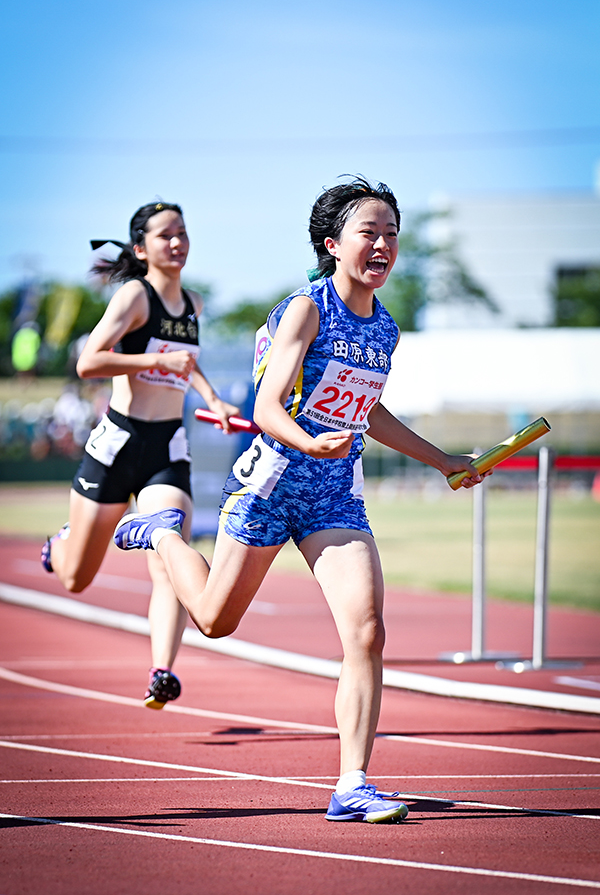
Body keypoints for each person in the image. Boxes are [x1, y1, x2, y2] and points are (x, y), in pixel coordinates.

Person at [112, 177, 488, 822]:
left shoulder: (386, 330)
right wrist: (309, 444)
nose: (384, 245)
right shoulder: (306, 309)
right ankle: (164, 532)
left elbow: (370, 413)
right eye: (370, 232)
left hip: (335, 498)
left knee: (367, 632)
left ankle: (352, 784)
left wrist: (444, 459)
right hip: (272, 481)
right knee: (213, 619)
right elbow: (265, 405)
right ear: (332, 243)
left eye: (392, 234)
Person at [41, 201, 239, 709]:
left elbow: (186, 362)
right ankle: (60, 544)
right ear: (140, 248)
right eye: (165, 235)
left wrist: (213, 398)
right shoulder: (135, 295)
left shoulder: (192, 302)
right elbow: (89, 362)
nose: (177, 242)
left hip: (167, 447)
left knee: (168, 549)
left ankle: (162, 670)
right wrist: (154, 358)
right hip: (117, 444)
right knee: (75, 578)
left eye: (183, 232)